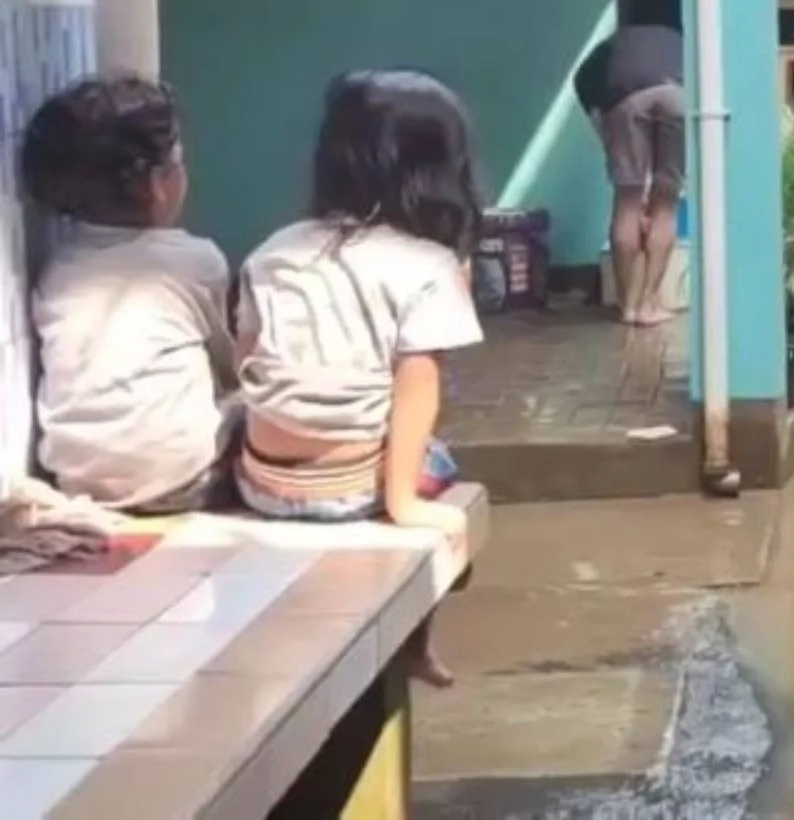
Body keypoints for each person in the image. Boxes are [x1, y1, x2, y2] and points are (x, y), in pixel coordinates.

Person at [234, 70, 481, 687]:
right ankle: (416, 641)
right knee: (442, 462)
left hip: (259, 481)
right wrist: (402, 503)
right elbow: (418, 386)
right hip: (351, 490)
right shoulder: (427, 265)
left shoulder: (273, 249)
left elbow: (247, 361)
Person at [19, 76, 236, 514]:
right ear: (155, 186)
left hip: (76, 478)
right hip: (182, 479)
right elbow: (229, 367)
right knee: (256, 403)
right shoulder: (196, 260)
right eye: (178, 163)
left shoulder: (58, 266)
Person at [573, 25, 686, 325]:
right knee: (666, 203)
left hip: (626, 100)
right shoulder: (680, 40)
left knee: (627, 202)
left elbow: (584, 86)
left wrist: (607, 139)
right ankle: (649, 304)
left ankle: (628, 305)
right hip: (679, 95)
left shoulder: (609, 49)